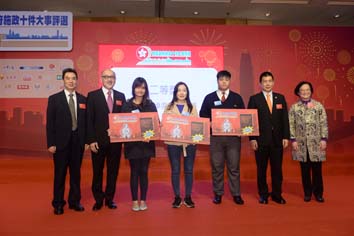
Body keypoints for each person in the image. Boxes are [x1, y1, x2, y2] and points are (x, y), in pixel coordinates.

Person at [200, 70, 245, 205]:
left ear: (230, 81)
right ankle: (218, 194)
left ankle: (236, 194)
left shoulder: (237, 98)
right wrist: (210, 123)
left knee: (234, 167)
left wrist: (241, 128)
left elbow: (245, 117)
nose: (224, 82)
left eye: (226, 79)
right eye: (221, 79)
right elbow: (203, 116)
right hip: (216, 139)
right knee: (217, 167)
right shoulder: (209, 98)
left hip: (233, 139)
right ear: (217, 81)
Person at [46, 68, 87, 215]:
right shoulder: (54, 99)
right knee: (60, 174)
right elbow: (50, 123)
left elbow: (85, 123)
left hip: (78, 143)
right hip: (60, 143)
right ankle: (58, 203)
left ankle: (75, 202)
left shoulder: (83, 99)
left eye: (74, 78)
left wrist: (86, 141)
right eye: (68, 78)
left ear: (77, 80)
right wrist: (50, 143)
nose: (71, 81)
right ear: (63, 80)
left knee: (76, 174)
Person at [247, 71, 290, 204]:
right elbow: (250, 121)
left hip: (277, 140)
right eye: (264, 81)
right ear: (260, 84)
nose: (267, 83)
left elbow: (284, 119)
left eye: (270, 81)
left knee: (277, 169)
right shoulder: (254, 99)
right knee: (262, 170)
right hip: (260, 141)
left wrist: (286, 137)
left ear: (273, 82)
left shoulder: (280, 98)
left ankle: (277, 194)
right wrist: (252, 138)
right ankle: (263, 194)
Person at [86, 69, 126, 211]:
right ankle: (98, 199)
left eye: (112, 77)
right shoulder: (92, 96)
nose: (110, 79)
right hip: (98, 142)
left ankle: (109, 199)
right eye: (107, 77)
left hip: (115, 142)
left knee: (113, 172)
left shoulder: (121, 96)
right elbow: (88, 120)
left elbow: (124, 119)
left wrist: (118, 131)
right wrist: (91, 140)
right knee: (97, 172)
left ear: (115, 79)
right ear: (102, 79)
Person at [121, 77, 157, 211]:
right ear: (133, 89)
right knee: (134, 172)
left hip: (146, 144)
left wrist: (149, 135)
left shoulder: (150, 104)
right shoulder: (127, 105)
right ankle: (134, 200)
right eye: (138, 87)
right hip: (132, 145)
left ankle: (143, 200)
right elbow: (121, 124)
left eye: (143, 87)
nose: (140, 90)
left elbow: (155, 123)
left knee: (144, 172)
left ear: (146, 89)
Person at [289, 81, 328, 203]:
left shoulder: (318, 106)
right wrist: (293, 139)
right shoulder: (294, 107)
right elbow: (291, 124)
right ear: (298, 93)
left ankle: (318, 193)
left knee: (317, 170)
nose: (305, 92)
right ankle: (307, 193)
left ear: (311, 91)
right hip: (301, 143)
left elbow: (323, 123)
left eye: (307, 90)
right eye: (302, 90)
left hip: (316, 143)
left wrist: (323, 139)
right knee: (304, 170)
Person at [164, 82, 198, 208]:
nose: (182, 93)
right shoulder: (168, 107)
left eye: (184, 90)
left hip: (189, 144)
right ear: (175, 92)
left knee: (189, 170)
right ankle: (177, 197)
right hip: (173, 143)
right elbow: (166, 125)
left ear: (187, 92)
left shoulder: (192, 107)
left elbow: (196, 125)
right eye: (179, 90)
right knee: (175, 170)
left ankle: (188, 197)